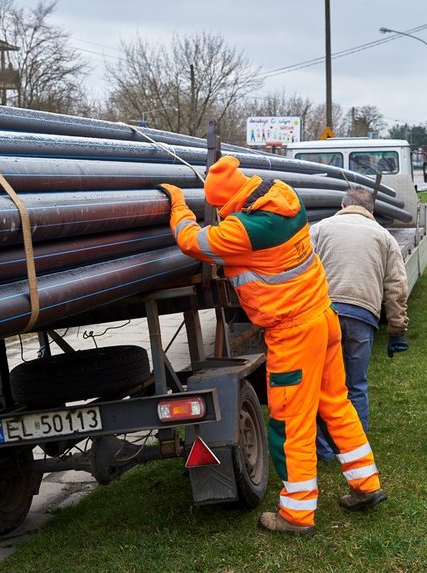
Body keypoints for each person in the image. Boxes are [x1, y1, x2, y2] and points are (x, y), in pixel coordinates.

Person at [161, 156, 386, 536]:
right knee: (336, 404)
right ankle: (366, 485)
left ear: (225, 202)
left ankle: (297, 514)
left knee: (290, 421)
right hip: (323, 317)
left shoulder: (243, 230)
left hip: (293, 333)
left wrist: (179, 204)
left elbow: (191, 240)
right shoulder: (285, 197)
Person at [309, 187, 410, 461]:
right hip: (361, 316)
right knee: (355, 385)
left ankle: (323, 449)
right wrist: (397, 329)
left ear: (342, 205)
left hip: (322, 314)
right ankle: (354, 449)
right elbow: (396, 286)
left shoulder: (319, 229)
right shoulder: (384, 236)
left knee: (320, 384)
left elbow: (301, 267)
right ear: (371, 211)